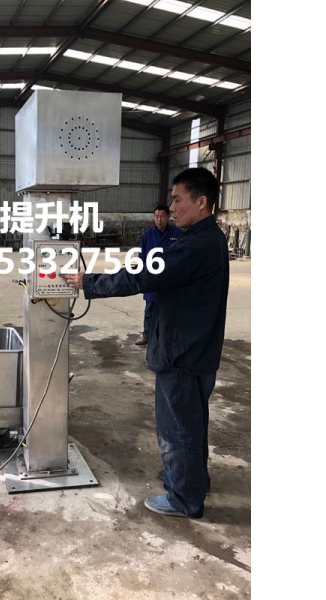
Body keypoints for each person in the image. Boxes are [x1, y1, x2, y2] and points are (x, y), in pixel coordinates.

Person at [63, 167, 229, 519]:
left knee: (178, 429)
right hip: (196, 350)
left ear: (201, 202)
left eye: (178, 200)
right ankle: (190, 480)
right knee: (192, 423)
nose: (172, 207)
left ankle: (184, 498)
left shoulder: (194, 246)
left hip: (182, 354)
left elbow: (142, 275)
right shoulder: (208, 238)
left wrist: (88, 283)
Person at [135, 205, 183, 346]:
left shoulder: (177, 234)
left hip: (170, 279)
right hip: (152, 278)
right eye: (156, 217)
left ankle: (170, 337)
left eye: (162, 216)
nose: (159, 220)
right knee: (150, 308)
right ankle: (147, 335)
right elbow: (142, 256)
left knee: (170, 310)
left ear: (168, 217)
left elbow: (182, 256)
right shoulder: (148, 235)